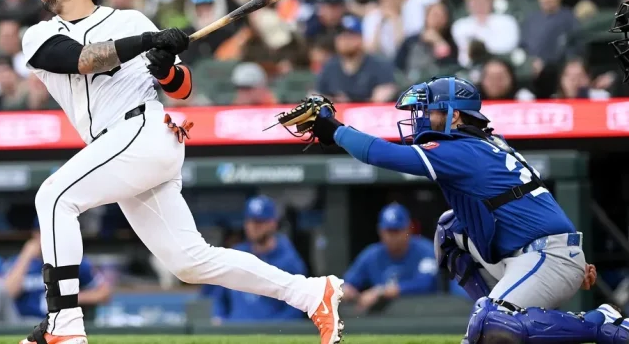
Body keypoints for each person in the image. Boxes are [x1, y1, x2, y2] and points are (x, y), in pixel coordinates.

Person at [15, 0, 344, 344]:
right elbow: (85, 59)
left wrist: (166, 67)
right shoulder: (40, 34)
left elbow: (182, 89)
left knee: (53, 197)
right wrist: (147, 40)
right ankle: (310, 293)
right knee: (190, 262)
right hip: (120, 148)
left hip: (144, 129)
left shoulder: (129, 19)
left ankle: (64, 322)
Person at [297, 76, 629, 343]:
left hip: (546, 257)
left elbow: (382, 156)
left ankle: (599, 322)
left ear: (454, 115)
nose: (420, 118)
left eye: (430, 110)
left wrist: (334, 129)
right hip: (530, 256)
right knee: (450, 230)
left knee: (494, 321)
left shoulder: (462, 149)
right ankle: (489, 320)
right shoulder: (477, 144)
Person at [0, 224, 110, 329]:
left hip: (56, 325)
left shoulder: (74, 260)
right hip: (18, 323)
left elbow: (104, 293)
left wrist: (64, 300)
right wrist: (26, 256)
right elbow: (8, 292)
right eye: (44, 232)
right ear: (36, 235)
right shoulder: (19, 262)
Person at [202, 196, 308, 322]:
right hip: (234, 332)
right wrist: (219, 317)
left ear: (273, 224)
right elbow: (218, 295)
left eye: (259, 222)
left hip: (269, 335)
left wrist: (270, 332)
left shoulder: (289, 261)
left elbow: (295, 311)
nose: (253, 227)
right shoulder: (236, 254)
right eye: (250, 221)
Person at [342, 203, 439, 313]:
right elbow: (348, 283)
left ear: (408, 229)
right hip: (384, 318)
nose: (393, 237)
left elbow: (424, 284)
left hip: (423, 313)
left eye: (397, 231)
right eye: (389, 231)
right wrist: (347, 291)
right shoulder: (372, 254)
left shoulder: (426, 250)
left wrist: (382, 291)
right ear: (380, 231)